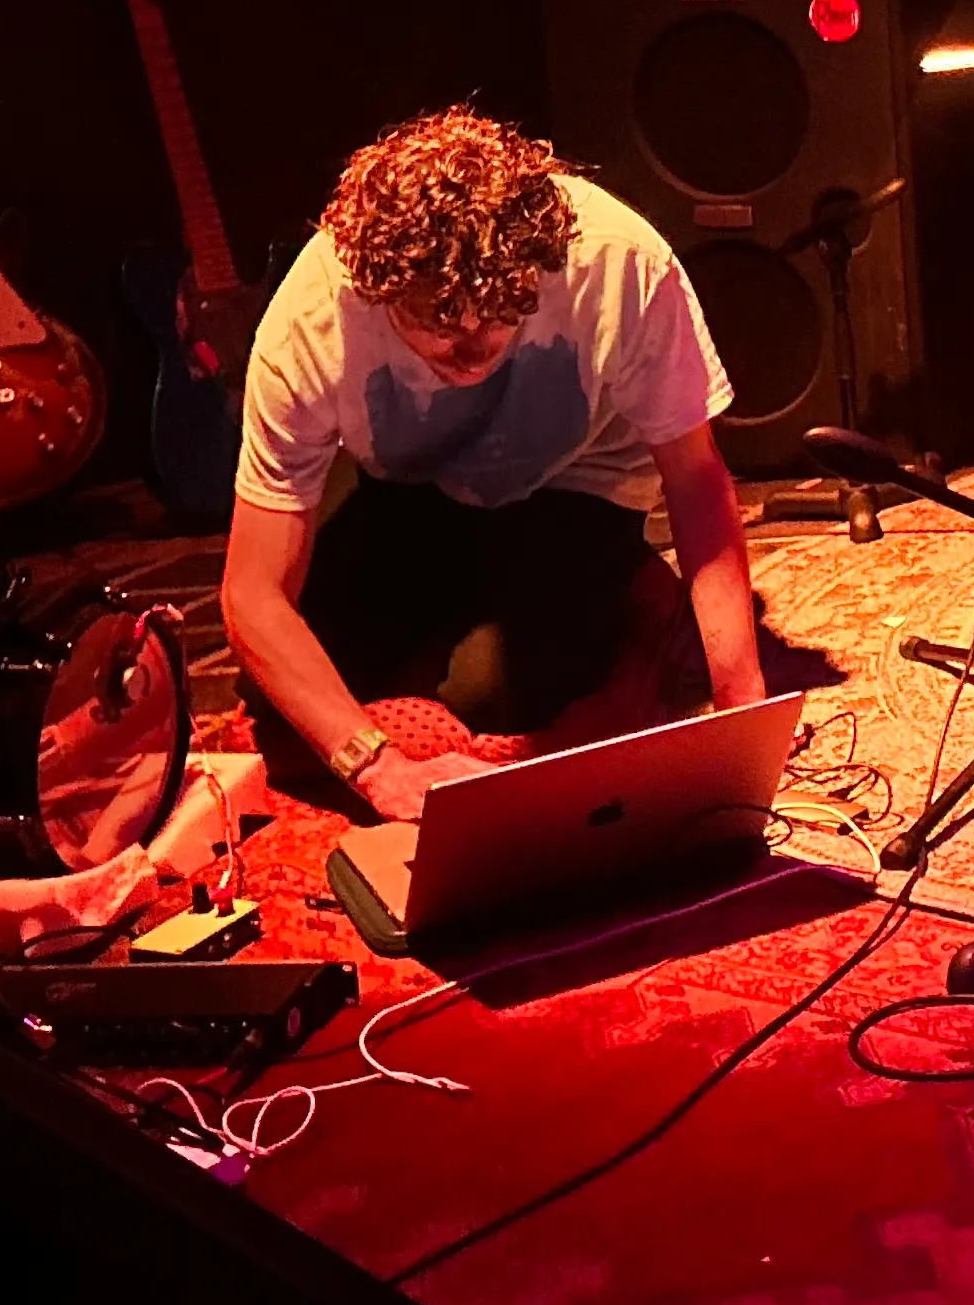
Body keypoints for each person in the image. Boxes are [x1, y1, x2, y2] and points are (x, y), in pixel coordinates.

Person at [221, 108, 767, 820]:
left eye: (501, 317)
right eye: (443, 331)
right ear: (375, 295)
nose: (476, 349)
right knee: (278, 695)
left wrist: (741, 712)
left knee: (498, 706)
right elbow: (251, 594)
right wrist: (378, 768)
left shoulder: (622, 262)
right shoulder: (311, 324)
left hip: (577, 488)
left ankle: (637, 591)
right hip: (409, 490)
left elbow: (695, 479)